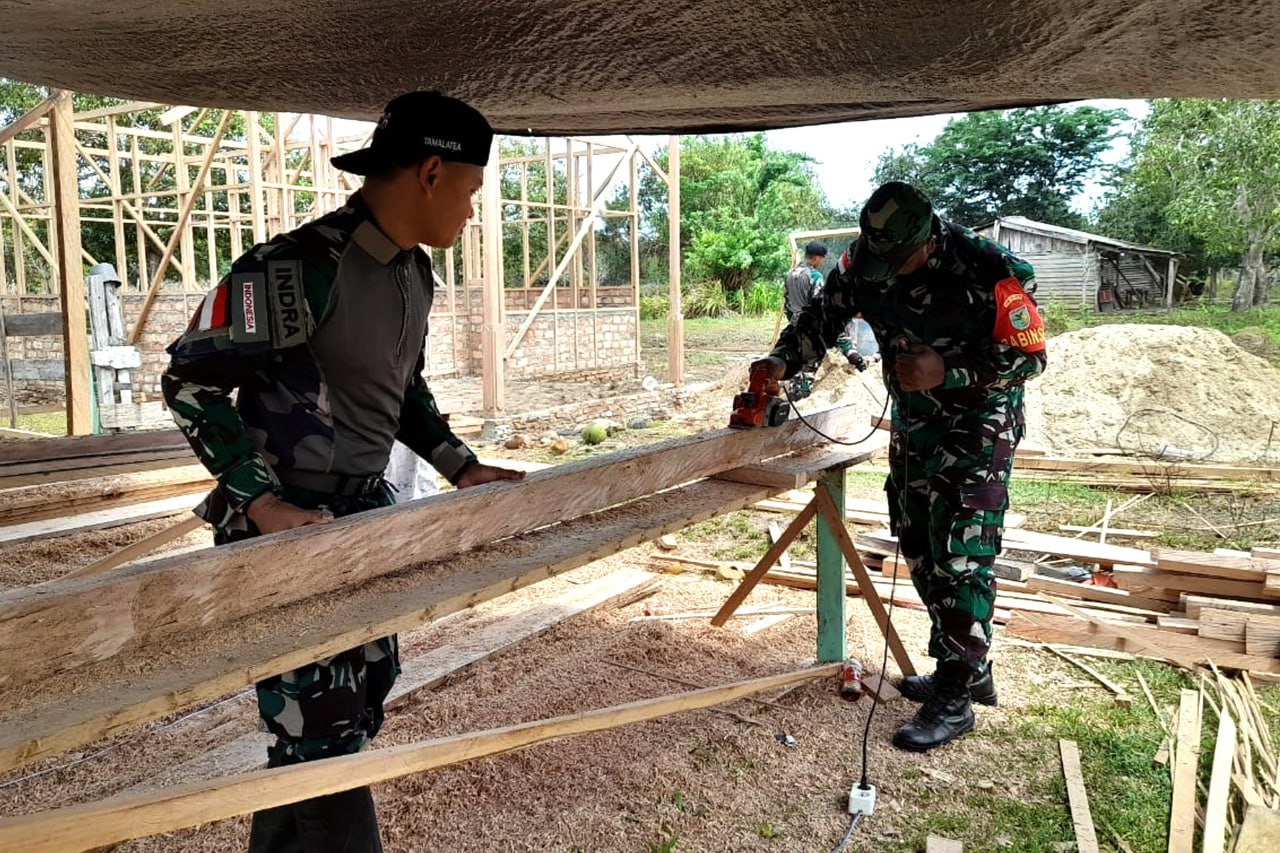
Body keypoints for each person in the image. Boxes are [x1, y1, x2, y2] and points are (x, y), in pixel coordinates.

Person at [162, 91, 525, 852]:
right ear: (431, 173)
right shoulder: (295, 268)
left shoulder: (413, 274)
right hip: (286, 534)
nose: (471, 210)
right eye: (469, 190)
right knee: (323, 745)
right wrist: (260, 503)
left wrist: (460, 467)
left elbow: (401, 389)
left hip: (363, 520)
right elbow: (189, 381)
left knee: (342, 720)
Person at [752, 181, 1046, 752]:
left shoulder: (992, 270)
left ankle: (956, 697)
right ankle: (966, 667)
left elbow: (1030, 358)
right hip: (915, 425)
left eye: (899, 260)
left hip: (977, 428)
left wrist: (947, 371)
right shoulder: (864, 261)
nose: (886, 271)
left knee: (961, 554)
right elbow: (821, 318)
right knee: (918, 544)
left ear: (928, 238)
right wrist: (781, 359)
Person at [781, 241, 865, 399]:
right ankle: (803, 391)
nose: (822, 262)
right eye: (822, 259)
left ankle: (794, 390)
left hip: (795, 321)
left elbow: (786, 301)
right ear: (817, 258)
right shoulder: (814, 276)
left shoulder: (790, 274)